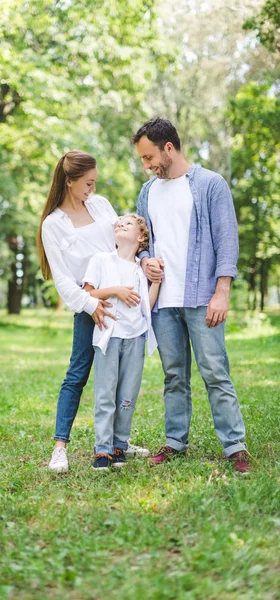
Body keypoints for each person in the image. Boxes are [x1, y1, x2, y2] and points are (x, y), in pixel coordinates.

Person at [133, 117, 251, 473]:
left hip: (202, 298)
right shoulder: (147, 192)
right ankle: (174, 442)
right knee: (174, 375)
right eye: (142, 159)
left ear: (169, 148)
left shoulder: (210, 184)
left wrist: (222, 292)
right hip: (163, 302)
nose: (147, 165)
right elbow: (141, 242)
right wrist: (144, 261)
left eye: (149, 156)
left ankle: (235, 446)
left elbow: (227, 240)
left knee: (215, 371)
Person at [37, 151, 149, 473]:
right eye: (87, 183)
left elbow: (126, 242)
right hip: (91, 306)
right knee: (78, 373)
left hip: (123, 308)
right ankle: (60, 447)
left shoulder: (99, 206)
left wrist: (143, 262)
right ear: (69, 182)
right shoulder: (53, 225)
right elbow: (63, 281)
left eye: (94, 182)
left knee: (121, 378)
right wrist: (92, 306)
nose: (92, 188)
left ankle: (117, 443)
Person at [83, 214, 161, 470]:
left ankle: (119, 444)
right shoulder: (102, 260)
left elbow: (145, 308)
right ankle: (102, 448)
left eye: (127, 224)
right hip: (109, 336)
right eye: (118, 223)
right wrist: (116, 290)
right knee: (106, 394)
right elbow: (87, 293)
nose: (120, 225)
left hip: (135, 337)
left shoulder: (141, 268)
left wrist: (156, 283)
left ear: (140, 238)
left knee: (127, 395)